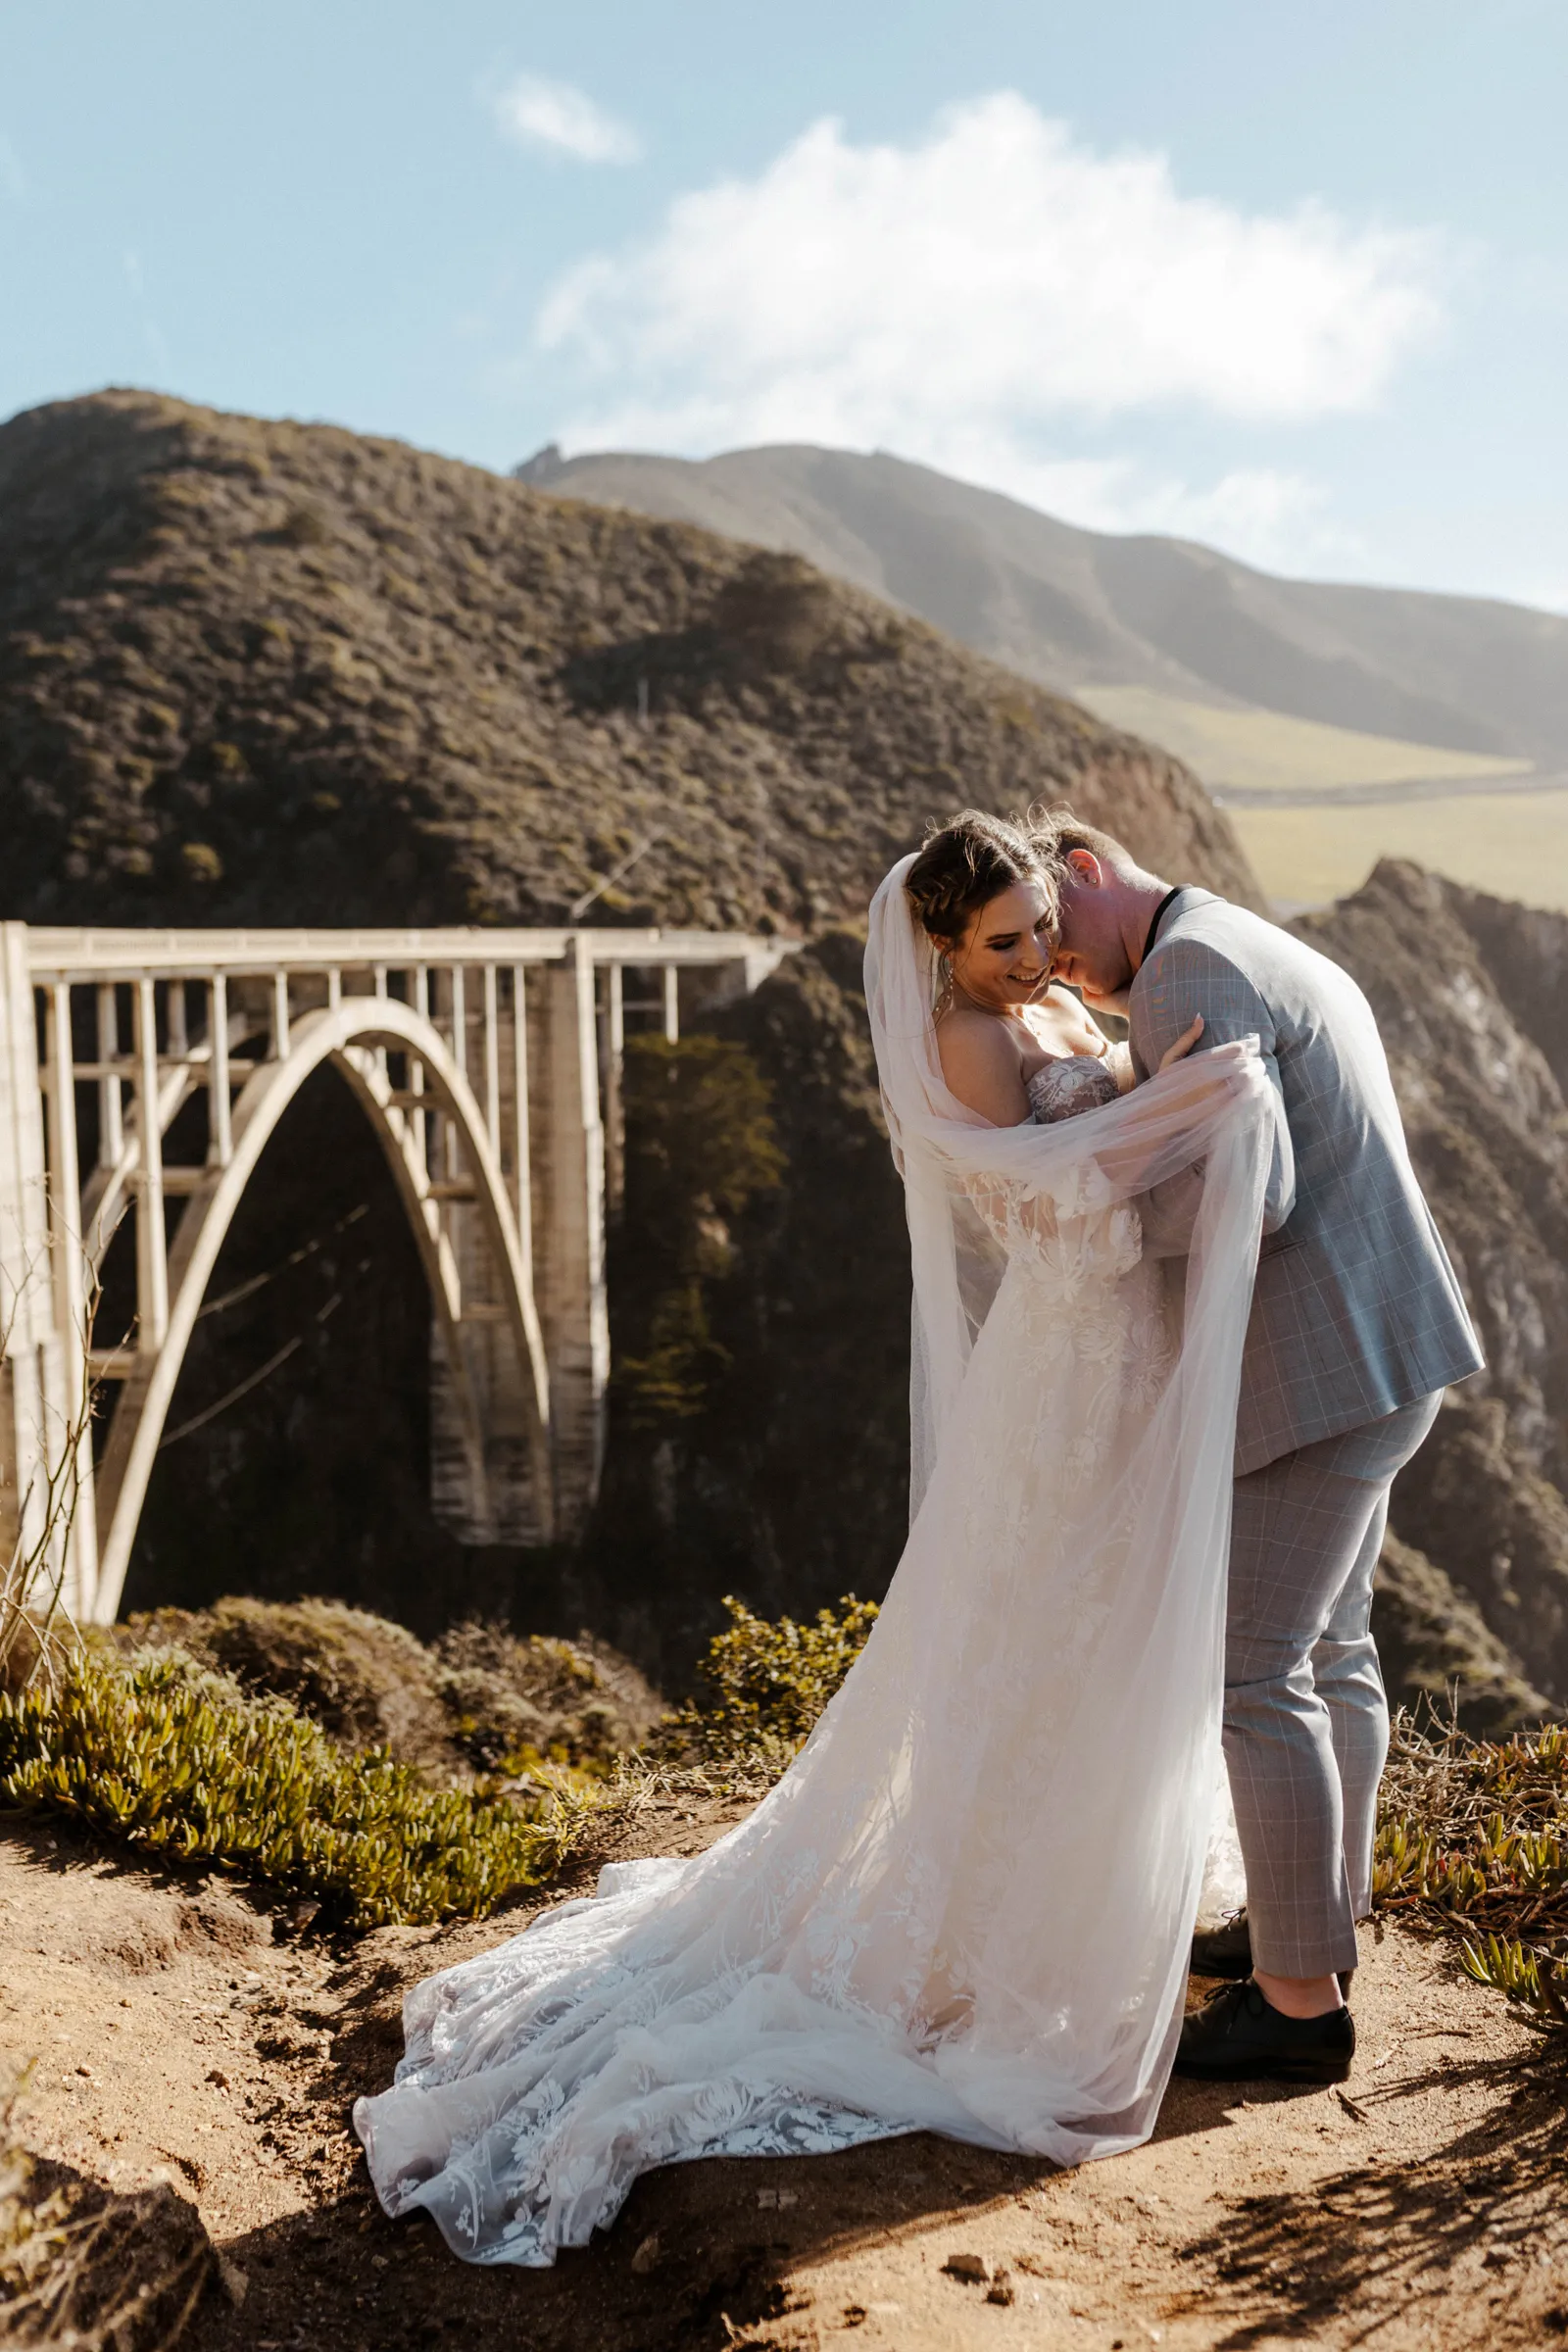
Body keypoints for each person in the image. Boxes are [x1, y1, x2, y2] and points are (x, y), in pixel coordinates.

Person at [354, 810, 1280, 2267]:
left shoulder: (1035, 1001)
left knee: (1104, 1626)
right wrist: (1181, 1101)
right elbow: (1069, 1207)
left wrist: (1141, 1076)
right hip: (1070, 1365)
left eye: (1042, 924)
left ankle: (1102, 1871)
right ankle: (998, 1921)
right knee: (1040, 1625)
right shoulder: (966, 1050)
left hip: (1123, 1360)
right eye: (1002, 939)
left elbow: (1099, 1122)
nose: (1036, 956)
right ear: (937, 943)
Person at [1038, 808, 1484, 2083]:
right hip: (1390, 1350)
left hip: (1321, 1373)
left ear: (1086, 868)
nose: (1062, 972)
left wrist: (1105, 1177)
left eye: (1060, 944)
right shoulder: (1248, 938)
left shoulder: (1183, 972)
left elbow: (1257, 1185)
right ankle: (1310, 1933)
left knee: (1255, 1672)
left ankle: (1300, 2013)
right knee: (1333, 1650)